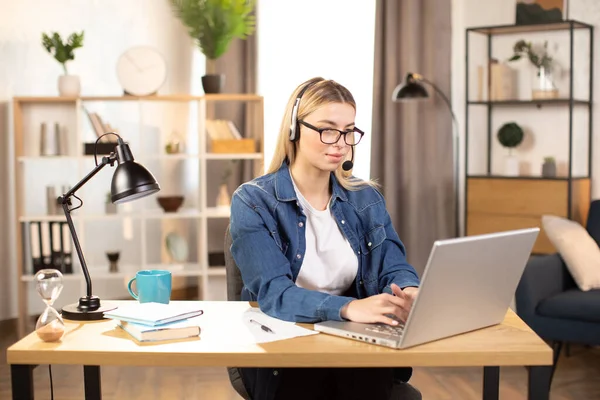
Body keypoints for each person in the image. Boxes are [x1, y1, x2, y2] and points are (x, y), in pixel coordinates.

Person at [229, 77, 421, 400]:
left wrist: (410, 291)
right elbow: (276, 295)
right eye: (328, 129)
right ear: (294, 130)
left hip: (352, 344)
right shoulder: (253, 201)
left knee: (364, 380)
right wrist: (349, 309)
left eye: (349, 131)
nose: (341, 143)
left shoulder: (365, 198)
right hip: (284, 349)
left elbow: (393, 264)